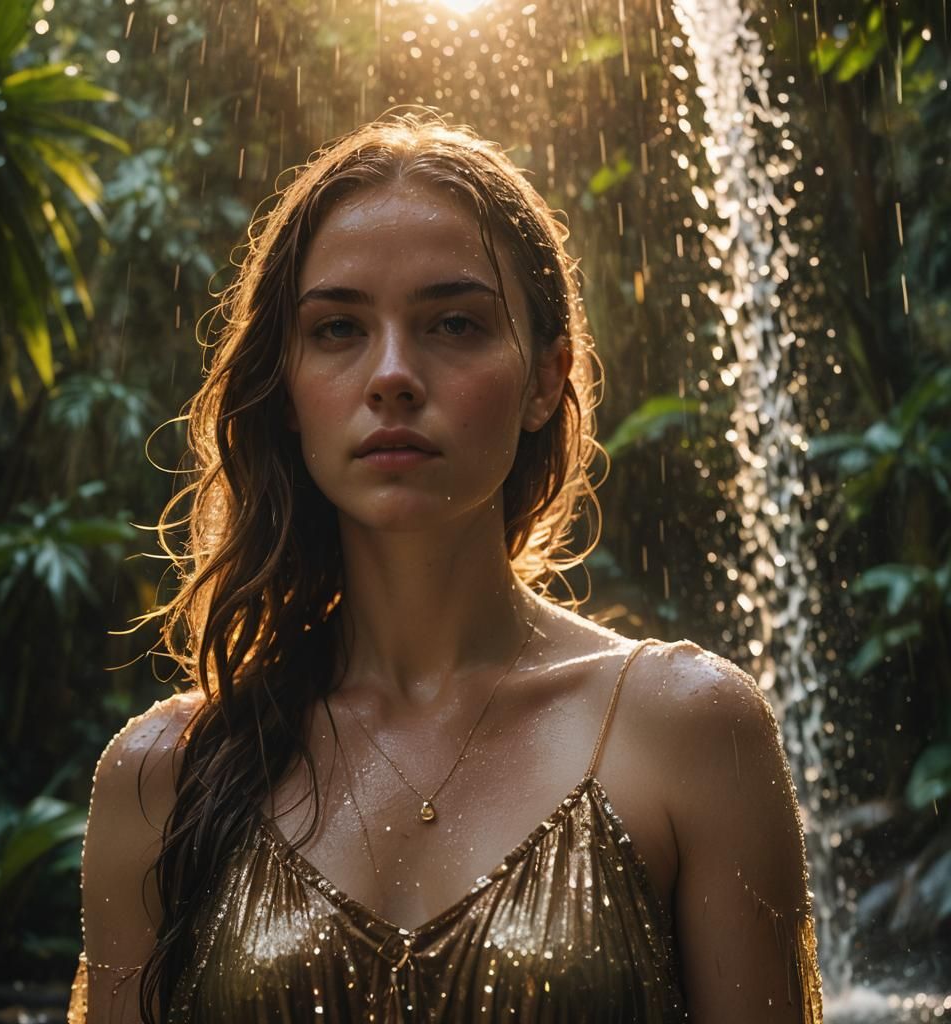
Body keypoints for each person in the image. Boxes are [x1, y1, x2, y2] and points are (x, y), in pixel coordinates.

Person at [68, 112, 825, 1023]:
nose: (392, 374)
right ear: (289, 388)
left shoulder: (683, 733)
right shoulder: (163, 777)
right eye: (339, 328)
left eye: (454, 322)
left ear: (547, 379)